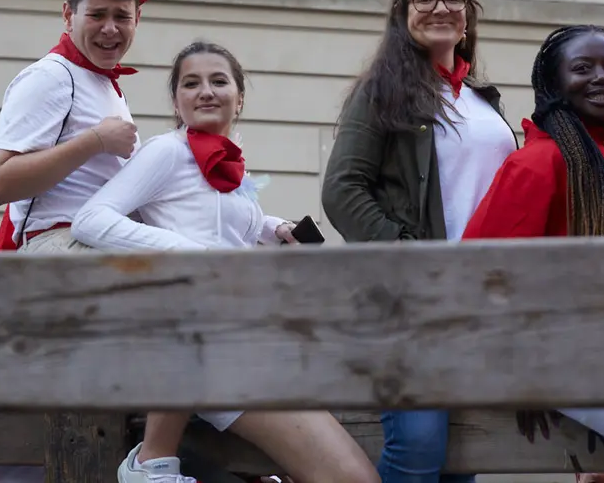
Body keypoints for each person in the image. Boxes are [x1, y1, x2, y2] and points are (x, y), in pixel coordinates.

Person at [71, 40, 380, 483]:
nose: (205, 92)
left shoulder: (229, 161)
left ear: (240, 96)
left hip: (252, 340)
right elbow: (91, 219)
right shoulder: (167, 152)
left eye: (219, 81)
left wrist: (274, 229)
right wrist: (184, 251)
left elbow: (226, 224)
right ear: (176, 100)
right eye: (190, 83)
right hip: (210, 355)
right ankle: (148, 465)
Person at [320, 0, 516, 483]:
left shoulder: (481, 98)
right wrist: (410, 253)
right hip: (410, 302)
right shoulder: (383, 91)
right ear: (402, 11)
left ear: (468, 12)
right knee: (419, 445)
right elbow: (342, 190)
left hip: (479, 304)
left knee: (460, 457)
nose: (440, 8)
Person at [461, 24, 604, 476]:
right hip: (584, 366)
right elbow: (479, 271)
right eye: (582, 68)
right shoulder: (538, 164)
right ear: (553, 85)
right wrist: (526, 369)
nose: (603, 77)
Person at [0, 0, 148, 483]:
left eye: (121, 16)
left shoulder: (104, 85)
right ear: (67, 13)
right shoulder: (51, 77)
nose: (110, 28)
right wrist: (96, 141)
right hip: (64, 257)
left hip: (94, 252)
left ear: (138, 17)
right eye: (96, 14)